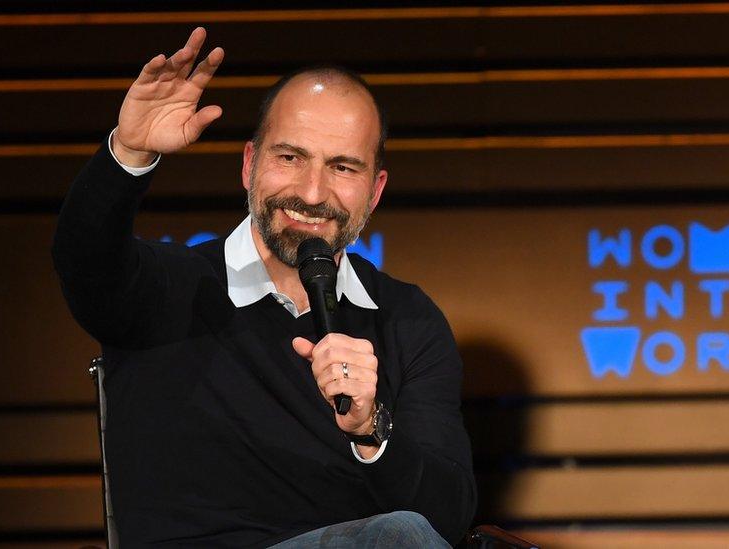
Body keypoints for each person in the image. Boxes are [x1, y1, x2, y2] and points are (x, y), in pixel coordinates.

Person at [52, 27, 476, 548]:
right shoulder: (165, 287)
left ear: (375, 190)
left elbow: (449, 514)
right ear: (250, 164)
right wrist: (129, 156)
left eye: (342, 167)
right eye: (290, 158)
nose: (312, 192)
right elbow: (83, 258)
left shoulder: (407, 319)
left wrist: (371, 430)